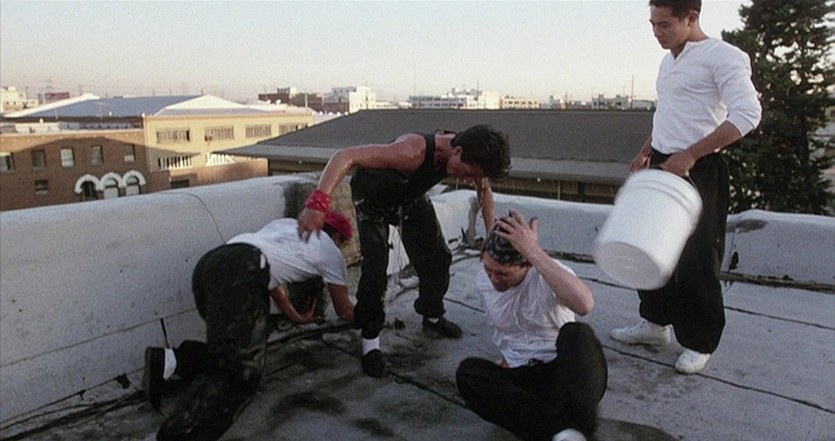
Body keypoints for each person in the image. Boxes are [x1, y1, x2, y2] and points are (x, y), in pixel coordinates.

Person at [610, 0, 762, 374]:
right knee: (648, 245)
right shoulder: (669, 62)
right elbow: (670, 112)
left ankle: (699, 341)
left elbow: (748, 114)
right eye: (652, 24)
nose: (656, 33)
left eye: (664, 25)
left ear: (691, 18)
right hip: (663, 160)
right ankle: (654, 323)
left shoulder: (723, 56)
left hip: (700, 166)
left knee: (697, 257)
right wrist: (646, 150)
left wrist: (691, 155)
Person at [297, 124, 511, 378]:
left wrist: (490, 235)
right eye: (470, 174)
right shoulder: (411, 152)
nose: (470, 180)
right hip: (373, 201)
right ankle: (370, 342)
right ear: (458, 152)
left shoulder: (468, 152)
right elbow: (345, 156)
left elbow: (484, 187)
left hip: (409, 199)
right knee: (376, 271)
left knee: (438, 258)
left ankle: (432, 314)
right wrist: (318, 204)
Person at [144, 212, 355, 441]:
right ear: (337, 237)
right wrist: (369, 316)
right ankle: (177, 435)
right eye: (343, 244)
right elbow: (344, 310)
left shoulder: (287, 226)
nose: (341, 249)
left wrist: (295, 316)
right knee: (240, 375)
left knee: (228, 353)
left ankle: (170, 360)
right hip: (243, 271)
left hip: (212, 262)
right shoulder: (330, 251)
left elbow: (271, 279)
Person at [456, 210, 607, 441]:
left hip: (568, 377)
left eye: (503, 274)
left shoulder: (550, 273)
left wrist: (534, 252)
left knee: (577, 334)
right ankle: (565, 433)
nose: (494, 279)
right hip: (526, 377)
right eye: (489, 270)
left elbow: (585, 304)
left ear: (527, 264)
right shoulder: (483, 282)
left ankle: (565, 430)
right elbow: (503, 331)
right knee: (469, 373)